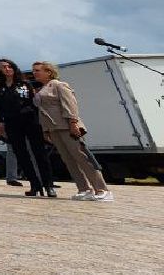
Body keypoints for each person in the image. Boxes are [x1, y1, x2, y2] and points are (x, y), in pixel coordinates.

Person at [32, 61, 112, 202]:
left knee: (82, 158)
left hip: (67, 126)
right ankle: (84, 189)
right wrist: (46, 129)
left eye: (38, 70)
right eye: (34, 70)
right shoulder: (42, 88)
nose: (35, 73)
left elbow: (70, 104)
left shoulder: (59, 85)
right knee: (68, 160)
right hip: (54, 128)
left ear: (48, 72)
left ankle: (102, 189)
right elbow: (42, 111)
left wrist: (73, 123)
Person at [0, 58, 54, 197]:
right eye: (3, 67)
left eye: (9, 66)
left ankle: (48, 185)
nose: (7, 69)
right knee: (21, 154)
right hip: (12, 122)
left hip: (30, 120)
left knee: (39, 153)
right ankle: (34, 184)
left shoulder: (25, 83)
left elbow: (34, 102)